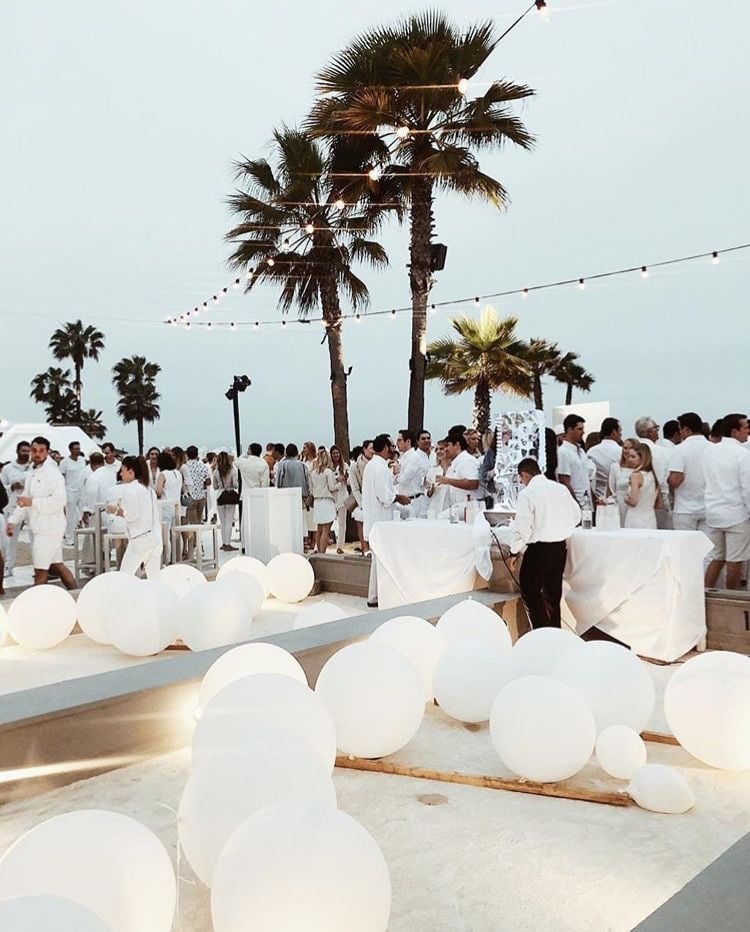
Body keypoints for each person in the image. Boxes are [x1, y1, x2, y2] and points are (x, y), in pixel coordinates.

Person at [506, 458, 581, 628]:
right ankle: (555, 633)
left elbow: (522, 528)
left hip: (539, 549)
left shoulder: (528, 494)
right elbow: (576, 515)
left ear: (524, 475)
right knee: (553, 596)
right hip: (560, 548)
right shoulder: (560, 488)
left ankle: (541, 633)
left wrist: (513, 552)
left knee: (530, 591)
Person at [6, 436, 77, 588]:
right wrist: (13, 520)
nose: (37, 453)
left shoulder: (53, 473)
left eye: (41, 450)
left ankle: (37, 605)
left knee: (40, 570)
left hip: (50, 529)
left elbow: (59, 501)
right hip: (40, 528)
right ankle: (77, 596)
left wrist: (33, 503)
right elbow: (25, 499)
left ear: (47, 452)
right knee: (57, 565)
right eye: (34, 450)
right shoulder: (32, 472)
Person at [362, 434, 410, 607]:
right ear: (384, 448)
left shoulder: (373, 466)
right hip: (380, 521)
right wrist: (399, 497)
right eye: (391, 445)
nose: (393, 449)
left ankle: (374, 596)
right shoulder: (379, 468)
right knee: (380, 560)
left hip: (375, 520)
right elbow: (385, 497)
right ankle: (376, 596)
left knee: (377, 561)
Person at [703, 413, 750, 590]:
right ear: (734, 431)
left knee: (717, 557)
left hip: (713, 512)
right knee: (735, 562)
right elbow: (747, 488)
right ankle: (731, 601)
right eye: (745, 427)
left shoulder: (709, 451)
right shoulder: (743, 454)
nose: (747, 430)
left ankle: (705, 595)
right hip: (736, 514)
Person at [107, 455, 162, 579]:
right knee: (155, 580)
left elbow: (132, 516)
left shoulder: (131, 490)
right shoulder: (149, 490)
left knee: (124, 577)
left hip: (139, 541)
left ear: (131, 471)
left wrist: (116, 510)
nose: (120, 474)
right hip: (154, 540)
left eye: (122, 470)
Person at [668, 412, 710, 532]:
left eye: (680, 429)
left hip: (684, 509)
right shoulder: (712, 448)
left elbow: (675, 481)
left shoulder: (680, 449)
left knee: (684, 548)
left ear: (687, 429)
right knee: (707, 548)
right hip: (708, 507)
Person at [1, 440, 31, 578]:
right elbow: (3, 487)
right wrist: (12, 487)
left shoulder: (34, 467)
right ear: (17, 451)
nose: (25, 453)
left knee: (35, 536)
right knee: (10, 538)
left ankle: (40, 567)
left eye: (27, 451)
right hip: (14, 506)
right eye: (23, 451)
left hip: (31, 506)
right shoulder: (8, 468)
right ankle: (8, 566)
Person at [634, 416, 671, 527]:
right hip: (657, 500)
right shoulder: (662, 452)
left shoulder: (630, 449)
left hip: (633, 501)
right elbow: (663, 480)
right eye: (656, 429)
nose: (658, 432)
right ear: (650, 432)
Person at [275, 443, 312, 546]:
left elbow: (278, 481)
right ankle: (302, 540)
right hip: (300, 495)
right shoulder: (302, 465)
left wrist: (277, 492)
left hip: (285, 495)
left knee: (287, 519)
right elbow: (307, 481)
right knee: (300, 518)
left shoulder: (282, 465)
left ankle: (287, 540)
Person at [181, 445, 210, 560]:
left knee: (192, 524)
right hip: (201, 497)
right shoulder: (202, 466)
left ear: (187, 454)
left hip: (190, 497)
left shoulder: (185, 467)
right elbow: (208, 481)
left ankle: (195, 547)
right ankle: (198, 545)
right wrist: (201, 484)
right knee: (198, 522)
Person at [623, 442, 660, 529]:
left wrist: (625, 498)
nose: (629, 459)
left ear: (642, 458)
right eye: (629, 456)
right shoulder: (653, 475)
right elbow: (659, 504)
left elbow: (633, 501)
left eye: (633, 457)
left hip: (635, 518)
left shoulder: (636, 476)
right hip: (650, 518)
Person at [436, 433, 480, 506]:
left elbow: (473, 483)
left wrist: (448, 481)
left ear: (457, 445)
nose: (445, 449)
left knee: (442, 516)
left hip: (469, 507)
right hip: (458, 507)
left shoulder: (467, 460)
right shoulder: (457, 462)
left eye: (447, 445)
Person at [556, 414, 590, 504]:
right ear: (570, 430)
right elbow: (564, 480)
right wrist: (575, 503)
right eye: (579, 429)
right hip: (574, 503)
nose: (583, 432)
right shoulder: (563, 452)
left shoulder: (582, 451)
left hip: (586, 502)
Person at [310, 448, 339, 554]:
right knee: (326, 530)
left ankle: (318, 549)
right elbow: (332, 487)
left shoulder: (313, 473)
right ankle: (323, 552)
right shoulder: (328, 472)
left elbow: (311, 488)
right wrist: (339, 483)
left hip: (317, 502)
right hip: (327, 501)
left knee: (319, 529)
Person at [156, 450, 182, 563]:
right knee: (176, 535)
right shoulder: (178, 473)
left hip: (165, 507)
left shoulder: (163, 474)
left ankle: (166, 560)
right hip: (176, 506)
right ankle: (177, 558)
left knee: (165, 537)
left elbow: (158, 492)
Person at [587, 418, 622, 502]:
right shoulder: (621, 451)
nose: (621, 434)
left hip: (596, 497)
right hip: (616, 498)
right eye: (620, 431)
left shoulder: (591, 452)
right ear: (614, 432)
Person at [396, 428, 429, 514]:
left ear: (408, 442)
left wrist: (397, 473)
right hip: (403, 501)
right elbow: (394, 480)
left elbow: (403, 480)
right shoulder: (402, 458)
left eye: (400, 440)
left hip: (413, 502)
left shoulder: (415, 458)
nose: (397, 443)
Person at [59, 440, 87, 544]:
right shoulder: (64, 462)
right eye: (76, 449)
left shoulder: (82, 460)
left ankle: (87, 537)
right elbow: (61, 477)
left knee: (84, 513)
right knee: (70, 516)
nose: (78, 451)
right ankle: (69, 537)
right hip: (69, 491)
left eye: (79, 448)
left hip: (81, 490)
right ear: (70, 450)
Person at [348, 440, 373, 554]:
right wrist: (362, 503)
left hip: (374, 499)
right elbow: (355, 487)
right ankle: (364, 547)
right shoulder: (355, 467)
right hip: (362, 500)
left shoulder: (375, 463)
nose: (373, 451)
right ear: (364, 449)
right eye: (371, 448)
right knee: (361, 522)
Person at [213, 451, 239, 551]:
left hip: (220, 496)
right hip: (230, 496)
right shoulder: (233, 471)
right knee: (229, 521)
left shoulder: (216, 472)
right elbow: (235, 485)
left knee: (223, 522)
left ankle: (224, 543)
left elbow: (215, 487)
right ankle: (228, 544)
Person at [607, 438, 637, 526]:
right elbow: (610, 490)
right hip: (619, 507)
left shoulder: (639, 470)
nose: (627, 451)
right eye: (625, 448)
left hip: (634, 507)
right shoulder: (615, 467)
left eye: (630, 448)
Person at [330, 444, 350, 554]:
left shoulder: (345, 466)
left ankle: (340, 546)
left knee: (342, 523)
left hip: (343, 497)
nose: (336, 455)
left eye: (337, 453)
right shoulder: (329, 467)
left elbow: (350, 482)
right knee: (328, 521)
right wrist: (337, 479)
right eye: (334, 453)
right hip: (332, 497)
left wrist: (345, 478)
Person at [300, 441, 318, 550]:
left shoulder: (315, 461)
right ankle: (309, 538)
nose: (304, 450)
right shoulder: (303, 461)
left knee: (312, 517)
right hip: (305, 490)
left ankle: (314, 540)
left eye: (305, 448)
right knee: (307, 518)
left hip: (313, 490)